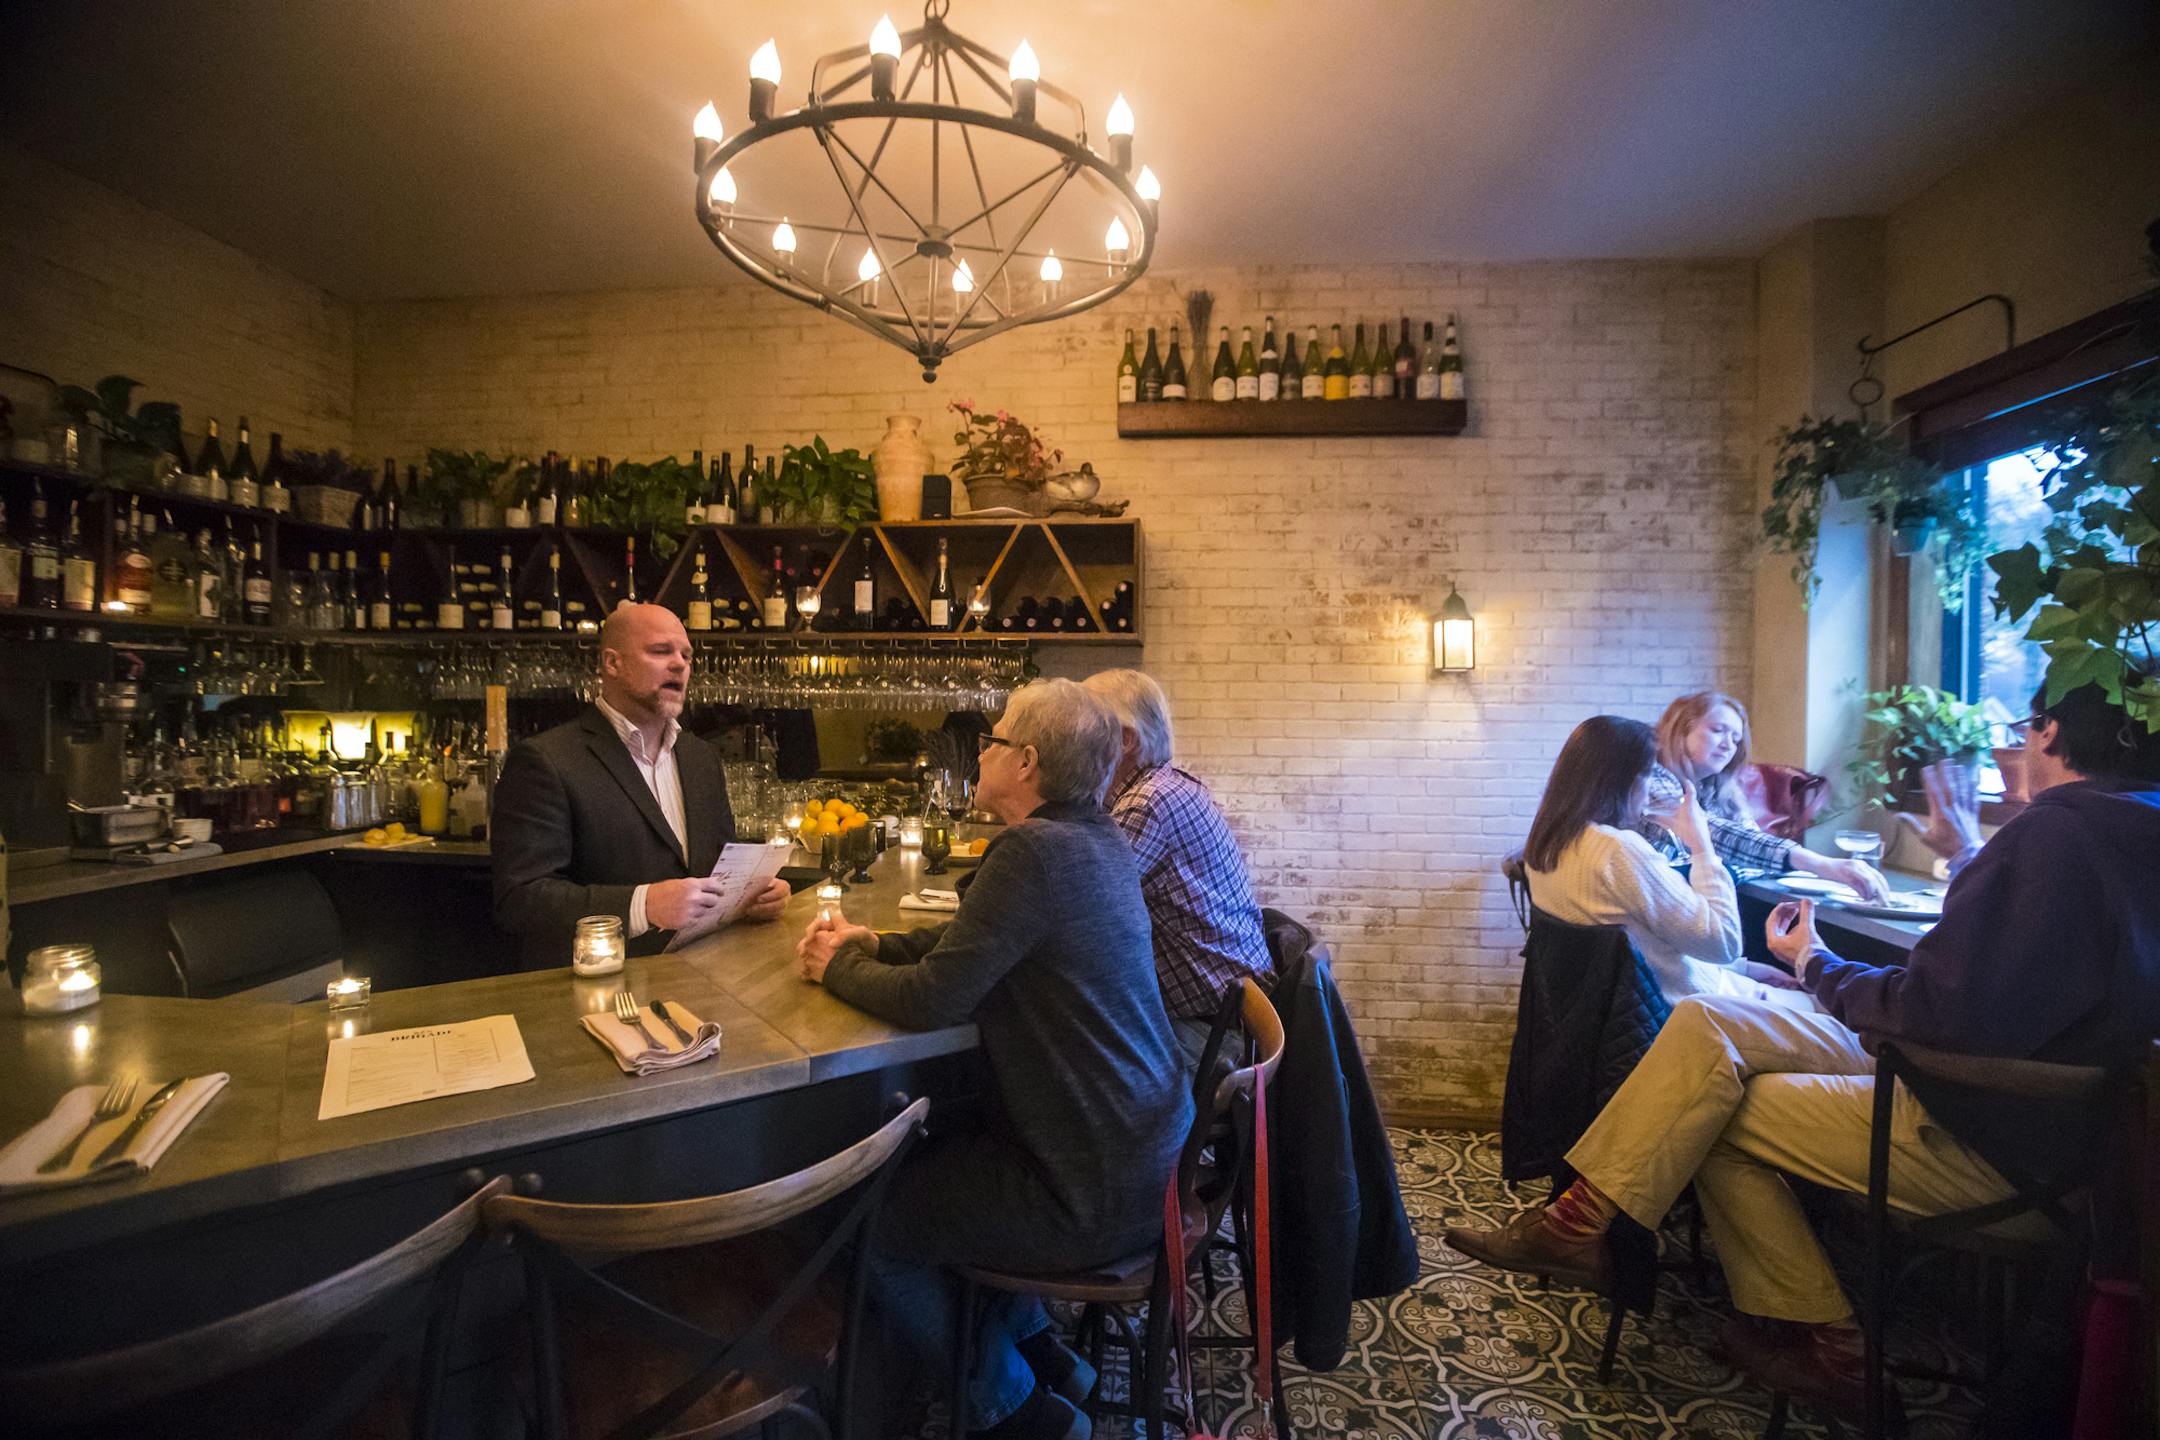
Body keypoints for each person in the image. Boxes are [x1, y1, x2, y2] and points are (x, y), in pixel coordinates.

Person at [1447, 676, 2160, 1422]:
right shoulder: (2115, 831)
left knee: (1709, 1095)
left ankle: (1801, 1330)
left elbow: (1937, 1008)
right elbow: (1975, 997)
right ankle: (1592, 1233)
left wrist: (1819, 966)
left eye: (2022, 730)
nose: (2013, 749)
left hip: (1982, 1127)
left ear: (2048, 734)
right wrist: (1945, 875)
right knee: (1709, 1034)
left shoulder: (2054, 835)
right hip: (2056, 1132)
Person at [796, 679, 1191, 1440]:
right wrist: (869, 943)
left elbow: (936, 999)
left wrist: (833, 970)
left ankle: (1017, 1407)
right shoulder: (1089, 836)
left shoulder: (1034, 854)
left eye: (995, 738)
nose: (982, 748)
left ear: (1027, 763)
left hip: (1086, 1186)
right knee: (946, 1159)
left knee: (864, 1218)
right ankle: (1050, 1362)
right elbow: (972, 947)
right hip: (1141, 1159)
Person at [491, 602, 788, 969]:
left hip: (698, 978)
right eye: (660, 651)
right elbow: (521, 899)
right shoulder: (546, 759)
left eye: (686, 655)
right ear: (612, 663)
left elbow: (718, 865)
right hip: (595, 990)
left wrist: (752, 894)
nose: (679, 664)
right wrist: (643, 905)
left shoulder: (699, 757)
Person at [1522, 714, 1809, 1007]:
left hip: (1630, 1012)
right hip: (1693, 1012)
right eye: (1648, 774)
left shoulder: (1546, 842)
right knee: (1834, 1014)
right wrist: (1702, 846)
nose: (1650, 788)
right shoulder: (1615, 850)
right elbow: (1723, 943)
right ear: (1623, 781)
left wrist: (1743, 969)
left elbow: (1645, 945)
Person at [1081, 668, 1274, 1069]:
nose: (1073, 735)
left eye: (1086, 723)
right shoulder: (1170, 786)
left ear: (1126, 740)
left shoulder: (1146, 804)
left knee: (1049, 1044)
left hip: (1208, 1034)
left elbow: (1075, 912)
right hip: (1221, 1016)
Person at [1645, 691, 1889, 900]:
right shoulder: (1649, 779)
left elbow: (1749, 842)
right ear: (1681, 731)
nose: (1728, 745)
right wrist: (1818, 863)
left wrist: (1728, 867)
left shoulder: (1721, 789)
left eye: (1736, 739)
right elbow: (1710, 834)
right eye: (1718, 730)